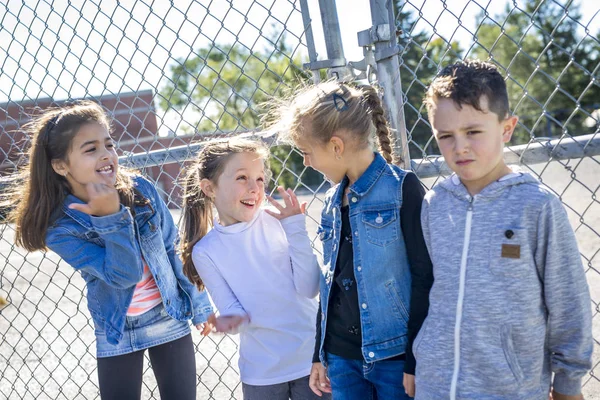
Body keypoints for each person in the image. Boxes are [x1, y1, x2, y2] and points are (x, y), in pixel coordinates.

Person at [9, 101, 213, 400]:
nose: (106, 154)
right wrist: (111, 219)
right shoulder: (61, 228)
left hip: (167, 314)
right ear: (60, 165)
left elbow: (172, 250)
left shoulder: (142, 190)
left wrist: (200, 304)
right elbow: (124, 275)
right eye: (90, 149)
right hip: (117, 329)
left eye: (109, 144)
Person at [416, 59, 593, 400]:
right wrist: (418, 360)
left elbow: (568, 302)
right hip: (435, 385)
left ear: (506, 129)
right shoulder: (434, 203)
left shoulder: (536, 206)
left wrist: (568, 383)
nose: (460, 147)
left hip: (510, 389)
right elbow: (428, 290)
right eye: (446, 136)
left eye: (473, 132)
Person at [265, 81, 434, 399]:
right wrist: (320, 352)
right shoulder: (331, 201)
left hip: (394, 359)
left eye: (306, 152)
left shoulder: (403, 189)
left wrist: (415, 359)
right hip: (342, 360)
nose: (306, 163)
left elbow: (425, 278)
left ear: (336, 146)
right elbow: (330, 284)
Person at [179, 137, 325, 400]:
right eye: (242, 178)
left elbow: (310, 287)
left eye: (259, 179)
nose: (254, 188)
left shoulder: (278, 221)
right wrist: (230, 322)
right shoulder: (206, 251)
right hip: (262, 373)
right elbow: (233, 311)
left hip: (312, 360)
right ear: (209, 188)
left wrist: (296, 230)